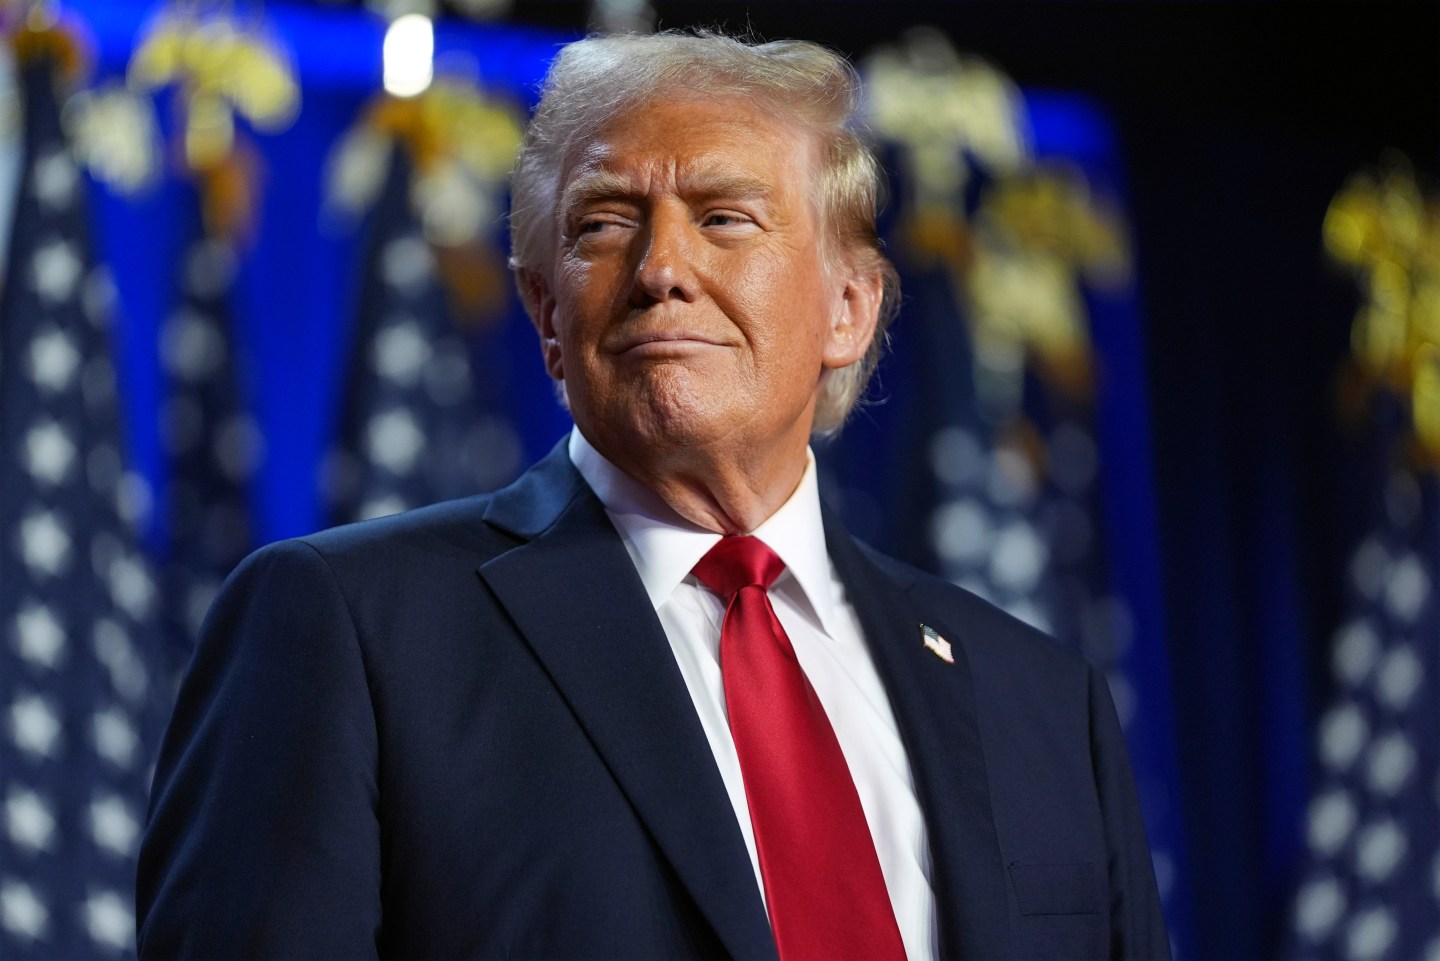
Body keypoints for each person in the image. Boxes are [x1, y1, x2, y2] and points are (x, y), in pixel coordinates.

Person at [136, 30, 1170, 961]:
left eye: (724, 217)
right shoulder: (348, 630)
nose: (662, 267)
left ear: (849, 308)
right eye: (602, 224)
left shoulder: (1040, 701)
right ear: (546, 313)